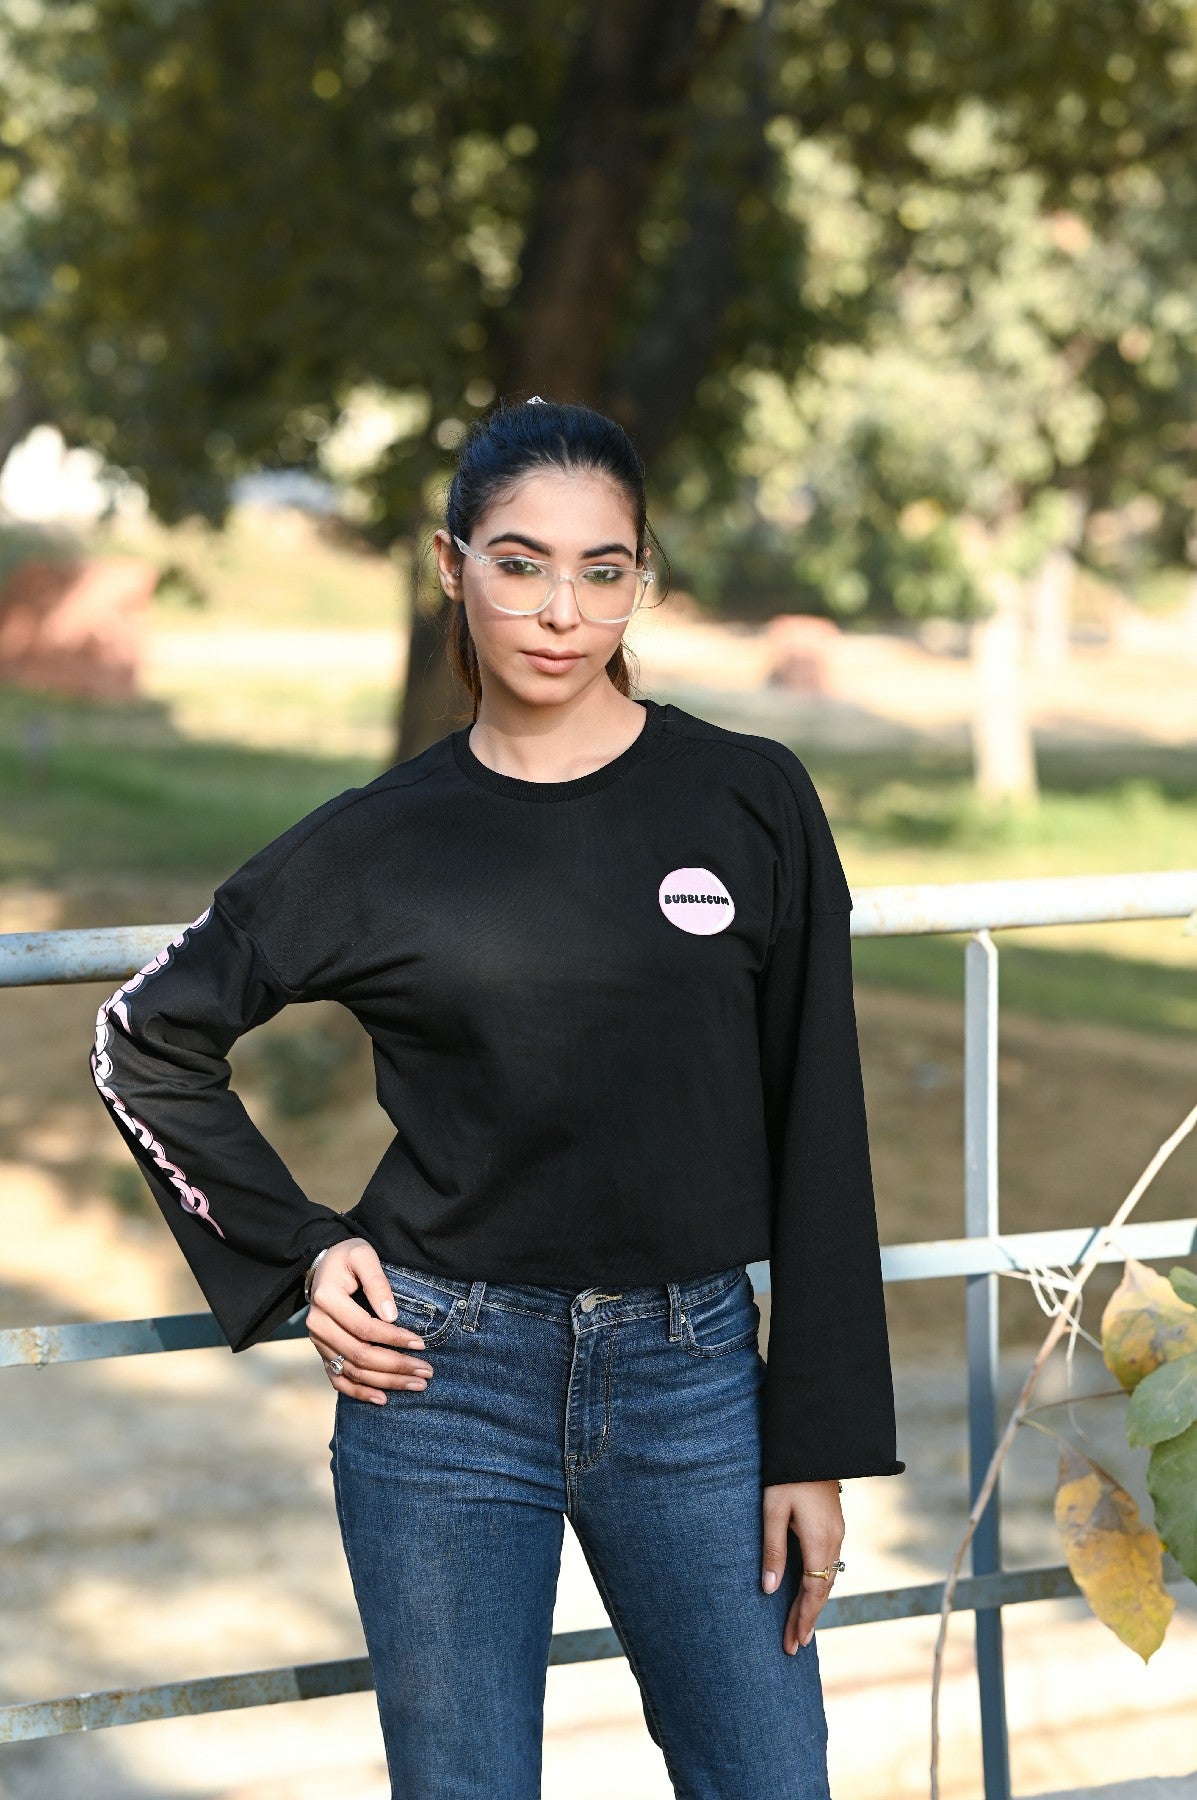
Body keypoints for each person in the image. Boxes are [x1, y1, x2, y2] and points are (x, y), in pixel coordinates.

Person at [89, 395, 904, 1799]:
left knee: (770, 1779)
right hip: (440, 1387)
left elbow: (820, 1125)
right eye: (518, 562)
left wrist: (814, 1442)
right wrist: (298, 1247)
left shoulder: (747, 799)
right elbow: (139, 1041)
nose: (558, 610)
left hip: (695, 1382)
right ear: (450, 564)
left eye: (603, 569)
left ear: (641, 578)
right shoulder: (374, 844)